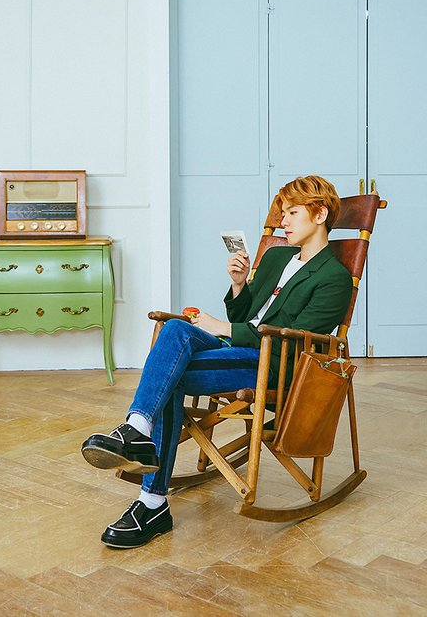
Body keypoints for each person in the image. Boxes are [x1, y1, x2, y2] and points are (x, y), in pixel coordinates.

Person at [81, 175, 353, 549]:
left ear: (319, 214)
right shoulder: (277, 257)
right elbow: (245, 314)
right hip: (235, 347)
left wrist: (221, 327)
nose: (283, 221)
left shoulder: (334, 278)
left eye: (292, 213)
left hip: (271, 364)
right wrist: (239, 284)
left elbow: (293, 338)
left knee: (170, 376)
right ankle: (138, 429)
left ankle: (151, 500)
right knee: (176, 329)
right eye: (283, 213)